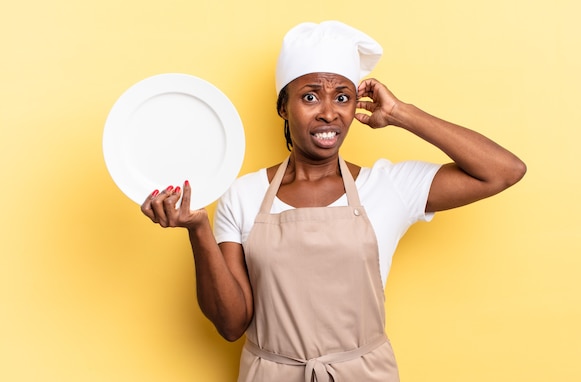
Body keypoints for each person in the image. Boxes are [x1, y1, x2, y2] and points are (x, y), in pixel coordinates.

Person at [140, 20, 526, 382]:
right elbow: (230, 324)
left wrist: (401, 113)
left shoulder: (388, 187)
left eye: (342, 97)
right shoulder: (243, 194)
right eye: (310, 96)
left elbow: (503, 170)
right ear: (283, 107)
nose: (328, 113)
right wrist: (198, 229)